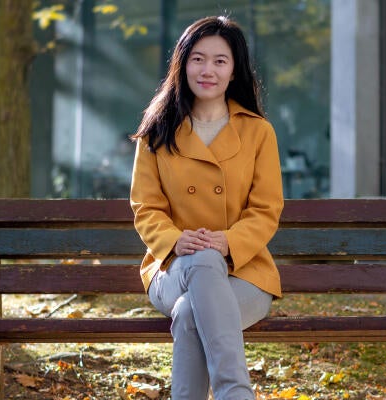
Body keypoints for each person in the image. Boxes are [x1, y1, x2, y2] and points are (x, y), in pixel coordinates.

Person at [128, 16, 284, 400]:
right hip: (170, 268)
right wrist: (176, 241)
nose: (207, 70)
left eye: (220, 61)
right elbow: (145, 206)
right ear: (182, 64)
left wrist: (227, 243)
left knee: (188, 313)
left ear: (234, 71)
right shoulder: (157, 131)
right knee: (201, 261)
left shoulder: (258, 132)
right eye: (198, 59)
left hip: (245, 273)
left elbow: (266, 209)